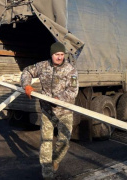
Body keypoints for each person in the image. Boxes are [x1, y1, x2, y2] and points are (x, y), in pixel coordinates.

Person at [21, 42, 79, 179]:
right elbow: (26, 71)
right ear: (51, 54)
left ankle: (56, 161)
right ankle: (47, 175)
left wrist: (59, 98)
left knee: (63, 142)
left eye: (61, 54)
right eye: (56, 55)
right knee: (46, 143)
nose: (59, 57)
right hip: (47, 111)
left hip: (64, 111)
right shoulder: (42, 66)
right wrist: (26, 85)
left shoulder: (70, 70)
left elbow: (73, 91)